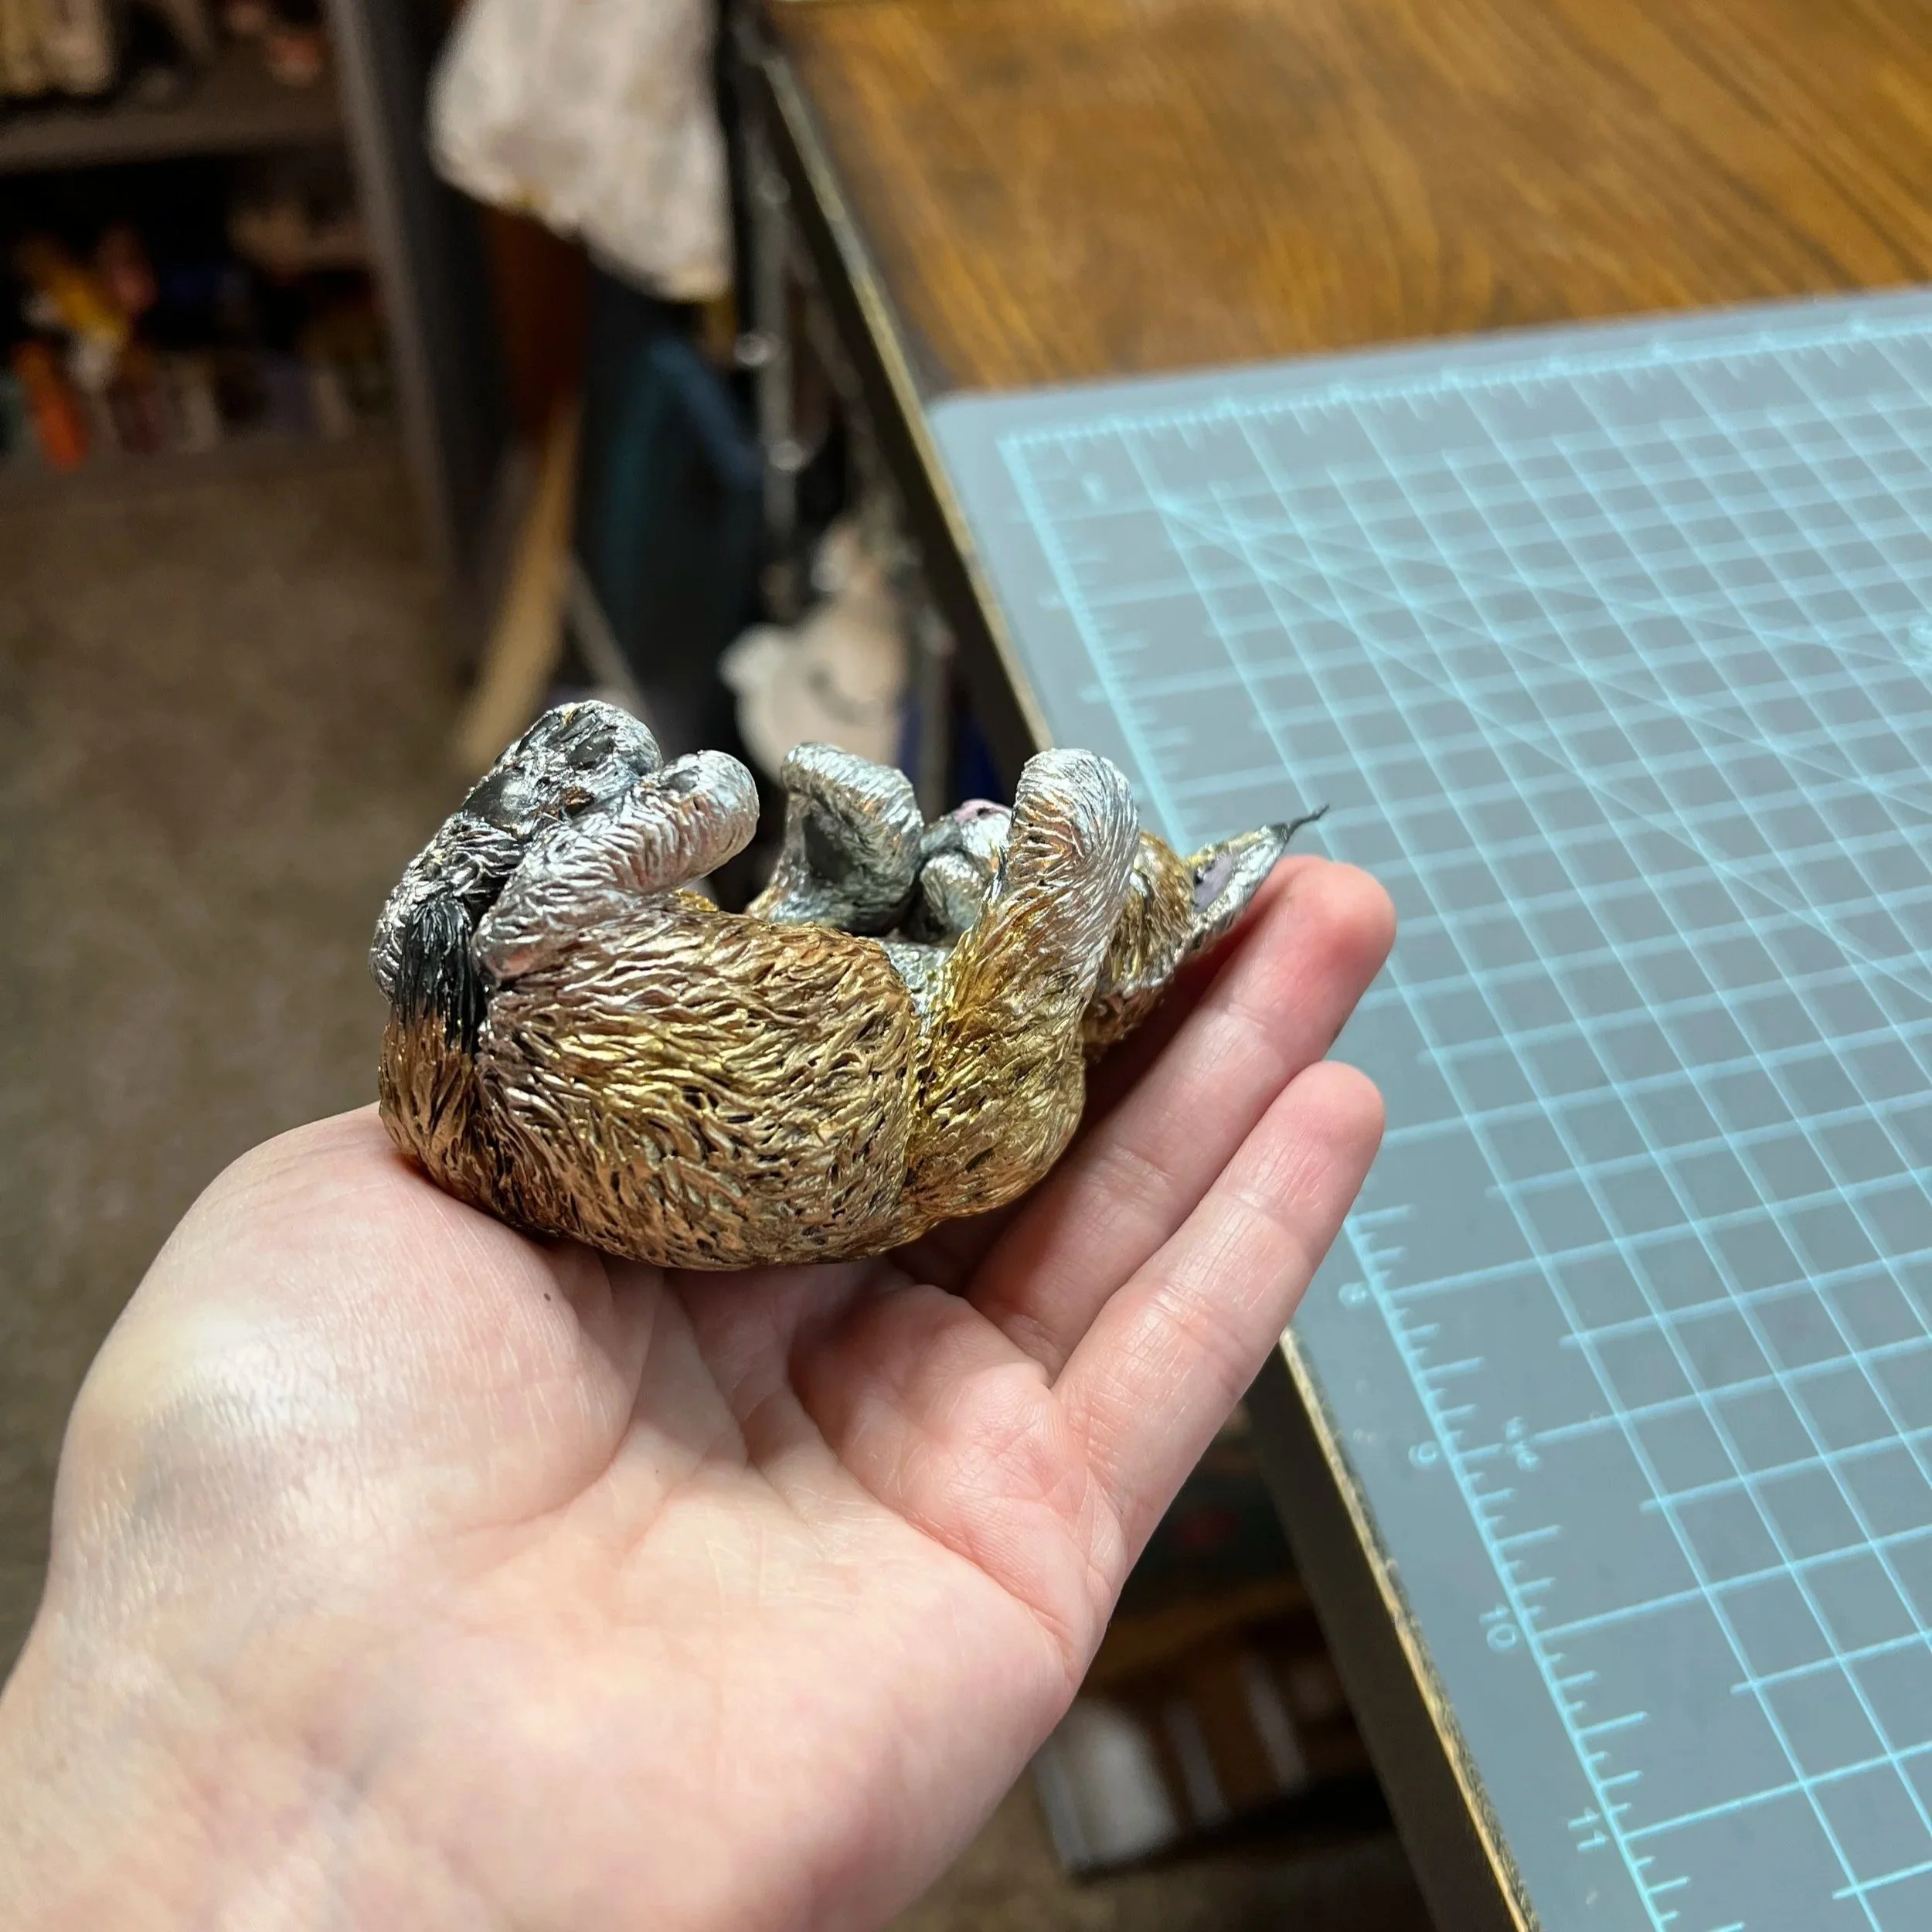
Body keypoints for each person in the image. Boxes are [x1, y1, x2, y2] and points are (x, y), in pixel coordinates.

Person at [0, 855, 1393, 1932]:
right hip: (663, 1105)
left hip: (673, 1098)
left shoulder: (991, 1094)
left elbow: (976, 897)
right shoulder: (946, 1070)